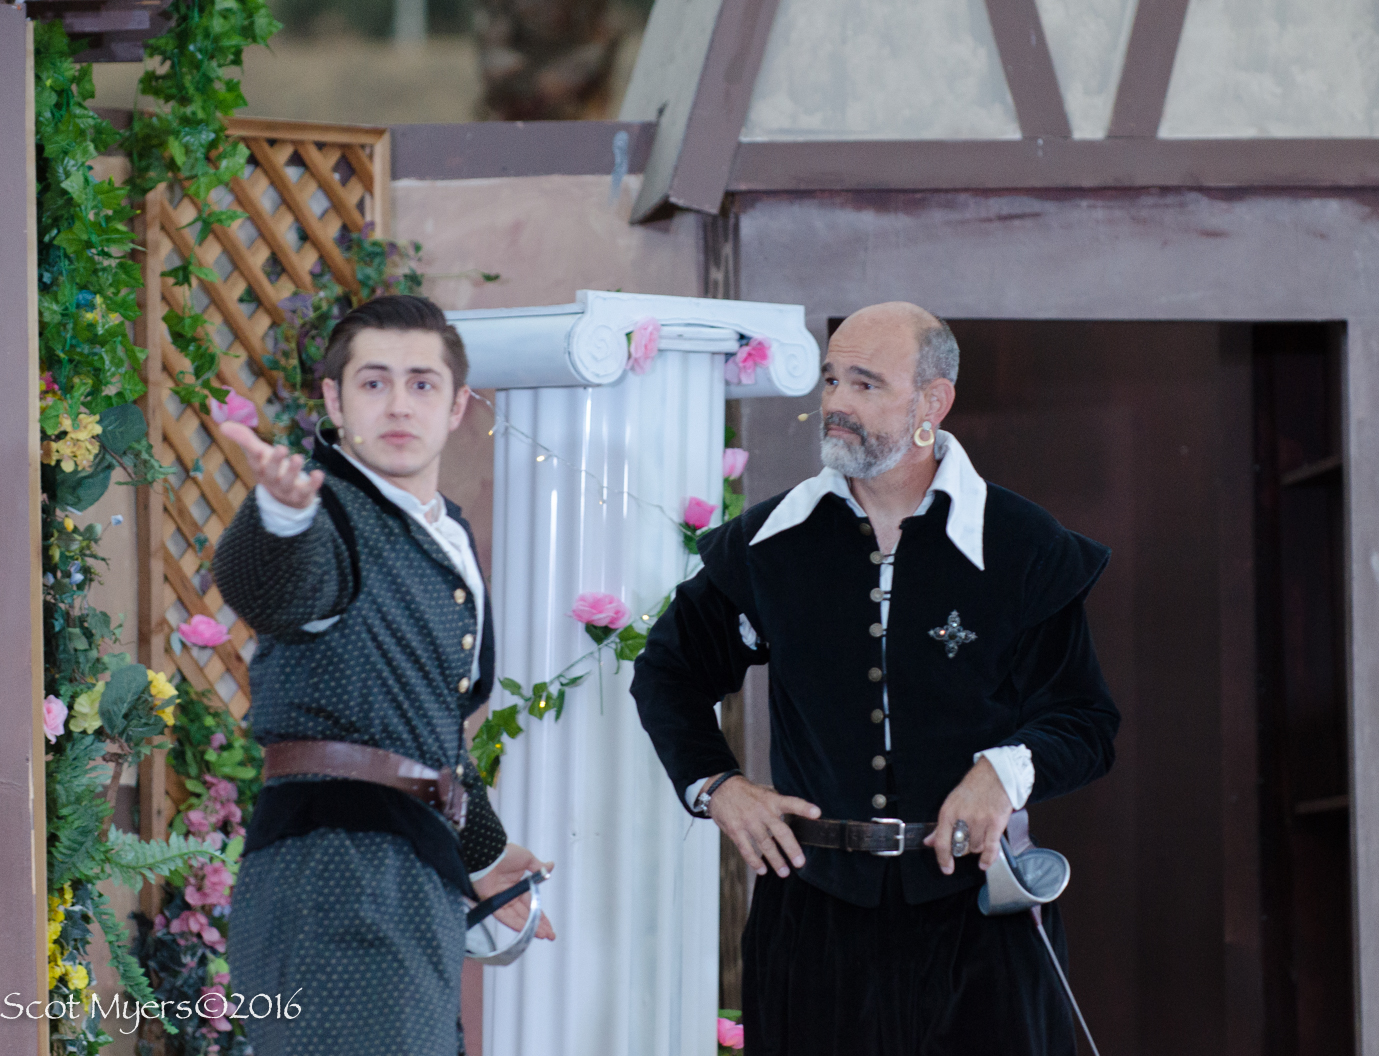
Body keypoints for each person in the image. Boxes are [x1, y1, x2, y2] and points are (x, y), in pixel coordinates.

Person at [632, 301, 1119, 1055]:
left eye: (865, 384)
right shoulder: (771, 545)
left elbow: (1084, 722)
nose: (837, 403)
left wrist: (1001, 774)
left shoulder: (1020, 545)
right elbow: (667, 670)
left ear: (933, 402)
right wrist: (717, 786)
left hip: (978, 913)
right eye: (831, 381)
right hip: (812, 915)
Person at [214, 295, 555, 1056]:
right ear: (334, 402)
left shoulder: (446, 527)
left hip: (408, 870)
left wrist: (485, 851)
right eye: (373, 383)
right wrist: (280, 514)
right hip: (329, 875)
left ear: (458, 405)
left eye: (421, 383)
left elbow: (422, 721)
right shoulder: (324, 516)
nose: (399, 404)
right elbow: (275, 592)